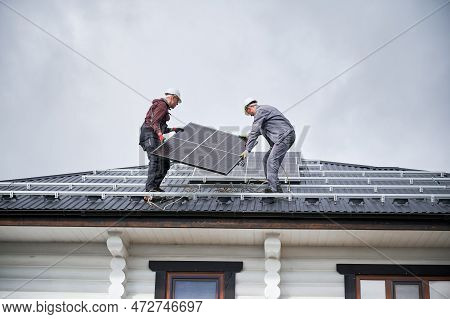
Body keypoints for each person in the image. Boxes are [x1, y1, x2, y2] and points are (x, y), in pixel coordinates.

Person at [240, 98, 296, 203]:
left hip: (284, 136)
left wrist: (248, 150)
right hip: (283, 138)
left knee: (272, 160)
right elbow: (257, 132)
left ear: (249, 107)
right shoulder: (264, 114)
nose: (251, 116)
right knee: (266, 160)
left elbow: (255, 130)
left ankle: (272, 190)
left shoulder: (260, 111)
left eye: (249, 113)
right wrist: (247, 139)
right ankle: (276, 187)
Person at [139, 88, 184, 199]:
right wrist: (160, 135)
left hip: (154, 136)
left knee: (165, 162)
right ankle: (150, 190)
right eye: (177, 101)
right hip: (149, 135)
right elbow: (154, 123)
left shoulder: (163, 107)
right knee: (155, 160)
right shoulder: (162, 105)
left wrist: (174, 129)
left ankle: (155, 187)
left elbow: (161, 127)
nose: (177, 104)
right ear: (173, 97)